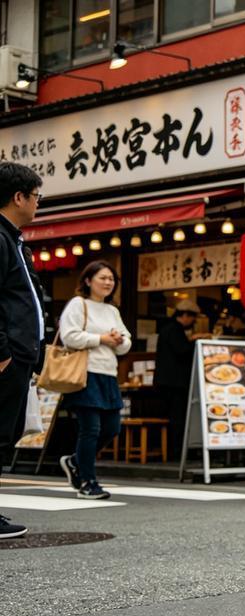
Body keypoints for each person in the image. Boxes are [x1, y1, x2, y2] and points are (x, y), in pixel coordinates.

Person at [57, 261, 132, 500]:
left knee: (112, 427)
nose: (108, 282)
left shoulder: (112, 311)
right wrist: (102, 338)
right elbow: (70, 337)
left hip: (108, 374)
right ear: (88, 280)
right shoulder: (78, 304)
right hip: (85, 372)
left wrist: (119, 340)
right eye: (103, 278)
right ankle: (88, 481)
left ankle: (75, 461)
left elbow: (126, 343)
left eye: (111, 279)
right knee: (90, 429)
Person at [0, 163, 45, 539]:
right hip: (8, 355)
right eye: (36, 197)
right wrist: (3, 351)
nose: (37, 204)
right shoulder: (1, 239)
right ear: (19, 197)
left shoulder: (13, 240)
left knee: (6, 433)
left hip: (19, 353)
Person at [154, 299, 208, 459]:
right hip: (174, 383)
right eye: (192, 318)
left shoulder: (167, 329)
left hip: (167, 382)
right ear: (184, 315)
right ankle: (178, 452)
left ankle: (176, 450)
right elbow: (182, 351)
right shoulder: (174, 330)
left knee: (175, 417)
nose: (193, 322)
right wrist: (196, 341)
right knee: (178, 418)